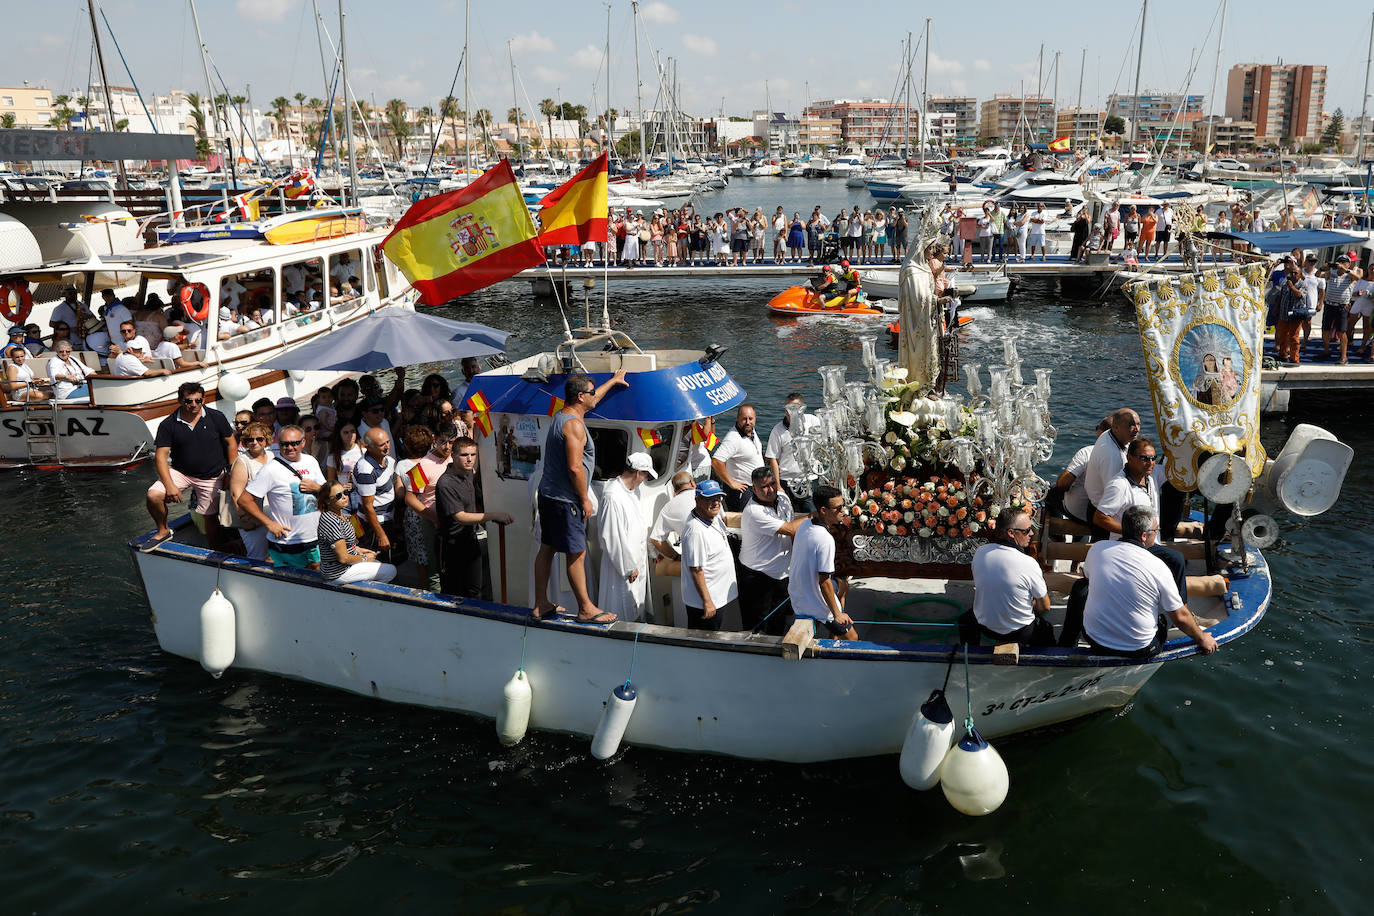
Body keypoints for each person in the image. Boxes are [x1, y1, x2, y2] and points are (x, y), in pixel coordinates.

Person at [532, 370, 629, 623]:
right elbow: (575, 467)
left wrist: (614, 381)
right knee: (577, 553)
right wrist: (584, 498)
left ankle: (541, 603)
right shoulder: (574, 425)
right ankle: (586, 608)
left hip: (548, 495)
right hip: (566, 500)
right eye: (591, 393)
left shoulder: (561, 416)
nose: (594, 396)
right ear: (579, 397)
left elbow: (595, 397)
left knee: (547, 547)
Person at [1060, 506, 1218, 657]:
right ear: (1144, 535)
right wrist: (1202, 638)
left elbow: (1087, 578)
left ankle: (1065, 644)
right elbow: (1180, 616)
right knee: (1170, 608)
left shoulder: (1098, 548)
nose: (1157, 534)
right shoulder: (1159, 567)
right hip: (1140, 649)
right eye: (1156, 531)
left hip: (1094, 640)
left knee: (1080, 586)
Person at [1092, 437, 1189, 602]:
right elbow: (1100, 517)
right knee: (1177, 560)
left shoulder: (1152, 476)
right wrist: (1131, 532)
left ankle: (1176, 606)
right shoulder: (1119, 486)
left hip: (1151, 545)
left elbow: (1179, 466)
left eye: (1153, 458)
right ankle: (1182, 611)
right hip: (1129, 546)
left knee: (1176, 563)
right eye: (1144, 458)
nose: (1150, 462)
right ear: (1129, 458)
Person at [147, 382, 237, 545]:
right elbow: (160, 457)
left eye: (198, 400)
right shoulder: (168, 424)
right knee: (153, 496)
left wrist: (231, 473)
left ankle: (216, 551)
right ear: (180, 401)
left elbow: (231, 443)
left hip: (212, 475)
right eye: (189, 401)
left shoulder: (216, 417)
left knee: (210, 518)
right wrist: (170, 486)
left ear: (203, 400)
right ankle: (163, 530)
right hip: (181, 472)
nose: (194, 404)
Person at [959, 507, 1053, 647]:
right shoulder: (1028, 563)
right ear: (1011, 533)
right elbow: (1045, 606)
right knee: (1047, 630)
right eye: (1026, 531)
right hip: (1020, 631)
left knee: (965, 619)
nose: (1031, 533)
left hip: (985, 627)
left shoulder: (980, 552)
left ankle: (970, 653)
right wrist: (1030, 605)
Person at [239, 424, 326, 569]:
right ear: (278, 444)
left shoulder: (311, 461)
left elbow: (325, 490)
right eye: (285, 444)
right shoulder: (271, 469)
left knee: (317, 575)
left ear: (303, 442)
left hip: (316, 537)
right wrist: (269, 524)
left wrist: (317, 488)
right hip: (287, 542)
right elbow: (244, 499)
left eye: (295, 443)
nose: (290, 448)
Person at [436, 435, 512, 597]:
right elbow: (461, 517)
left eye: (473, 455)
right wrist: (492, 515)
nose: (469, 459)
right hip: (452, 545)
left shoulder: (469, 473)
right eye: (464, 455)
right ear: (453, 455)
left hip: (470, 539)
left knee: (475, 588)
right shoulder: (446, 483)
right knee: (454, 592)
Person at [738, 466, 807, 635]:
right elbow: (790, 529)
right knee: (757, 626)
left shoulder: (783, 498)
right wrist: (818, 515)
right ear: (754, 489)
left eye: (773, 484)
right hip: (758, 577)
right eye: (764, 487)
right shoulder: (754, 511)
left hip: (782, 574)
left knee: (779, 621)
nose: (771, 490)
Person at [786, 484, 857, 640]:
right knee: (852, 638)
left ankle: (835, 635)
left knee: (842, 584)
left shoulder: (805, 524)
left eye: (843, 506)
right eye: (838, 508)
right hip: (813, 601)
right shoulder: (825, 539)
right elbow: (824, 582)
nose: (843, 511)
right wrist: (837, 614)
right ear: (824, 510)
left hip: (797, 592)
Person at [597, 452, 655, 621]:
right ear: (638, 473)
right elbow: (611, 537)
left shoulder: (633, 492)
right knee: (621, 608)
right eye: (645, 476)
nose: (644, 480)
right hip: (621, 567)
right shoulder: (612, 497)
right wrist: (628, 567)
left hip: (636, 562)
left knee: (635, 606)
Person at [400, 423, 452, 592]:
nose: (448, 446)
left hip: (454, 520)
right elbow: (410, 498)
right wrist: (433, 518)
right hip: (433, 523)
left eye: (452, 442)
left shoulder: (455, 457)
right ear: (434, 440)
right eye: (443, 441)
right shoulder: (423, 465)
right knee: (434, 568)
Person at [680, 479, 737, 631]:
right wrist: (707, 601)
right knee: (703, 646)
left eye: (718, 498)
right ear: (697, 500)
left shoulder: (712, 516)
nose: (716, 502)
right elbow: (696, 569)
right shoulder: (696, 531)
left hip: (717, 598)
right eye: (709, 499)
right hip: (705, 604)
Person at [317, 481, 397, 584]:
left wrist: (359, 550)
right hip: (338, 573)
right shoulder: (331, 521)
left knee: (377, 563)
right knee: (391, 571)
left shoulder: (340, 514)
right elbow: (343, 558)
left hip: (345, 567)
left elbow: (347, 545)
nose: (344, 497)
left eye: (345, 492)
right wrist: (364, 558)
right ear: (328, 501)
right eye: (338, 496)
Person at [1083, 407, 1140, 538]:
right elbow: (1115, 493)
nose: (1136, 429)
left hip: (1096, 506)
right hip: (1105, 515)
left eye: (1138, 424)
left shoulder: (1109, 434)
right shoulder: (1112, 457)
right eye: (1131, 425)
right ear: (1116, 427)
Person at [765, 393, 820, 513]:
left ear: (802, 409)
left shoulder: (813, 421)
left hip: (809, 479)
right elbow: (773, 459)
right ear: (785, 411)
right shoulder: (778, 430)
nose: (792, 412)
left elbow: (826, 439)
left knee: (812, 515)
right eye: (789, 409)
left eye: (796, 408)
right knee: (788, 515)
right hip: (787, 482)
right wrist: (778, 485)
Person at [227, 421, 275, 560]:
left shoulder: (272, 456)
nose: (254, 442)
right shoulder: (242, 461)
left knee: (275, 555)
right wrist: (245, 518)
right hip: (252, 518)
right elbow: (236, 493)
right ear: (245, 442)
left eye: (259, 438)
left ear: (266, 440)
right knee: (257, 556)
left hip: (272, 515)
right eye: (250, 440)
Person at [353, 427, 402, 556]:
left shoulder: (388, 460)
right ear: (368, 447)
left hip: (389, 520)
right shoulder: (366, 470)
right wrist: (381, 535)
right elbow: (368, 506)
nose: (387, 447)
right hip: (376, 526)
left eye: (387, 442)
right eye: (381, 445)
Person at [1052, 417, 1112, 524]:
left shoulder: (1087, 452)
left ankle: (1058, 535)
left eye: (1097, 428)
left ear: (1102, 432)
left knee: (1052, 493)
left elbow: (1063, 485)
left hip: (1083, 514)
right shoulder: (1128, 455)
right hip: (1111, 515)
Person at [711, 403, 764, 512]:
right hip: (742, 491)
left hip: (755, 487)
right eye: (744, 419)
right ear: (738, 418)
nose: (748, 422)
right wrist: (731, 483)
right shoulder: (733, 439)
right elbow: (716, 461)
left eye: (750, 418)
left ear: (755, 418)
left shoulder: (750, 431)